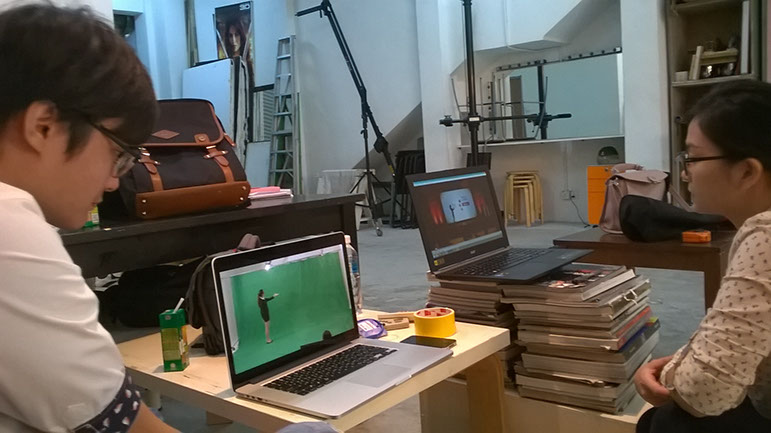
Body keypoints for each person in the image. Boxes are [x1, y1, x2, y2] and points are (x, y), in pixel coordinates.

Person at [0, 4, 336, 433]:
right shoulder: (10, 229)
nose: (113, 181)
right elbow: (124, 426)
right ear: (43, 126)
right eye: (118, 154)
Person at [635, 80, 771, 432]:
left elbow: (704, 392)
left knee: (670, 423)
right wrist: (680, 363)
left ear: (747, 171)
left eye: (693, 157)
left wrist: (674, 374)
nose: (684, 172)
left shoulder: (766, 236)